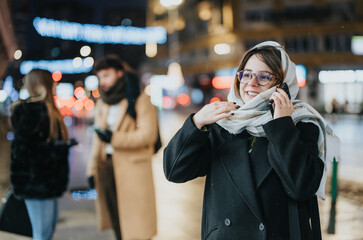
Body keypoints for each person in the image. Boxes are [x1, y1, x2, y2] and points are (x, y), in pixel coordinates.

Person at [164, 41, 339, 240]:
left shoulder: (301, 125)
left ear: (283, 85)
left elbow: (301, 187)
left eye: (264, 77)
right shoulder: (223, 123)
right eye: (246, 74)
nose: (251, 83)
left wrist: (282, 125)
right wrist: (196, 123)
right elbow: (174, 170)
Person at [87, 56, 158, 240]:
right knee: (116, 218)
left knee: (137, 225)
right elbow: (97, 139)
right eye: (100, 77)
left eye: (106, 76)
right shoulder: (103, 102)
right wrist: (92, 169)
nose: (103, 82)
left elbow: (148, 135)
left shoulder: (140, 99)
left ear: (119, 73)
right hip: (107, 166)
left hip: (133, 169)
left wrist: (114, 138)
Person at [10, 69, 76, 240]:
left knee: (47, 229)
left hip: (47, 182)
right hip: (36, 182)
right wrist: (58, 149)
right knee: (42, 233)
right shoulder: (32, 111)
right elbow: (25, 150)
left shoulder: (46, 109)